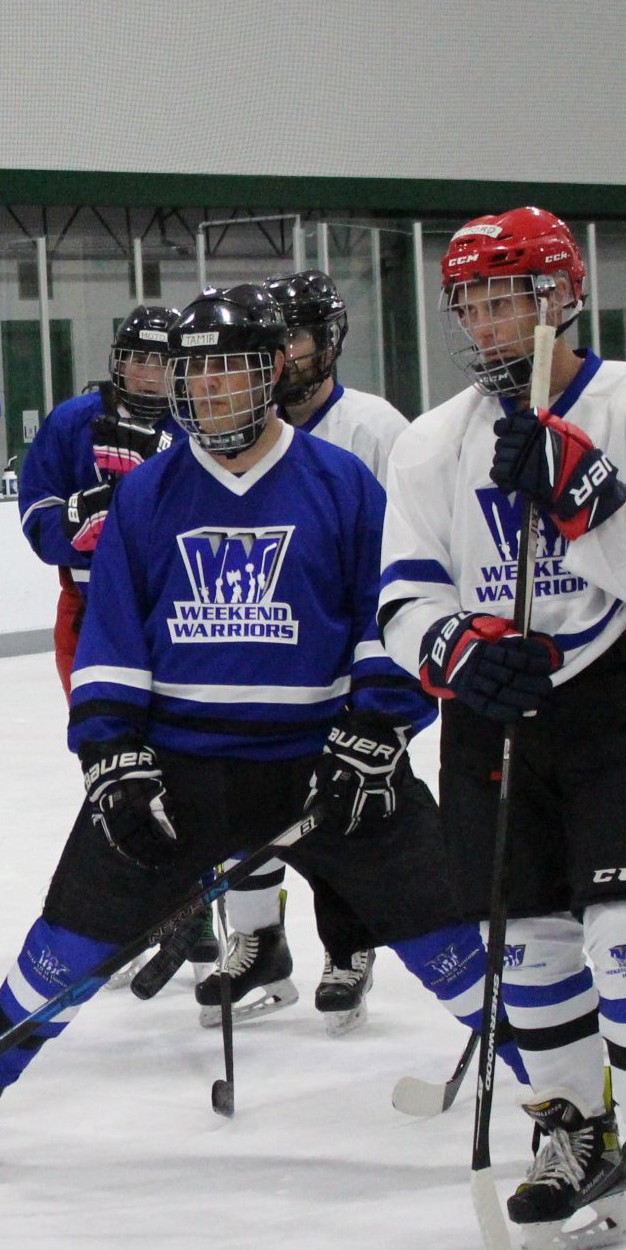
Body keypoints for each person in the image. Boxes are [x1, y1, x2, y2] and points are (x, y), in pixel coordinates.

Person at [0, 287, 504, 1163]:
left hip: (321, 764)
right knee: (66, 940)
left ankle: (567, 1096)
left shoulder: (343, 485)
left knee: (444, 933)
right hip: (182, 769)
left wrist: (378, 731)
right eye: (194, 373)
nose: (210, 391)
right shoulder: (149, 494)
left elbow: (393, 618)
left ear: (271, 372)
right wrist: (113, 754)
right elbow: (114, 637)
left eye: (230, 369)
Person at [379, 207, 626, 1250]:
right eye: (473, 302)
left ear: (559, 297)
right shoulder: (434, 439)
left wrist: (585, 495)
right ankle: (570, 1129)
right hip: (494, 709)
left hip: (623, 698)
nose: (488, 322)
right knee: (526, 945)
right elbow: (400, 597)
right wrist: (457, 651)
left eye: (509, 297)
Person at [228, 268, 417, 1034]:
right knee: (246, 802)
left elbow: (408, 551)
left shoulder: (374, 428)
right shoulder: (236, 424)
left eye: (297, 336)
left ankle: (349, 946)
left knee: (343, 811)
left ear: (329, 341)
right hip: (270, 655)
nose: (283, 352)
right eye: (274, 338)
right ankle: (259, 941)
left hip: (355, 660)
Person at [15, 304, 175, 690]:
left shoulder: (200, 423)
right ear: (118, 363)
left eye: (164, 363)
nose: (149, 376)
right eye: (139, 360)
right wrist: (86, 518)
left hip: (180, 613)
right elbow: (37, 518)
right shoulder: (72, 421)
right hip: (87, 610)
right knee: (99, 738)